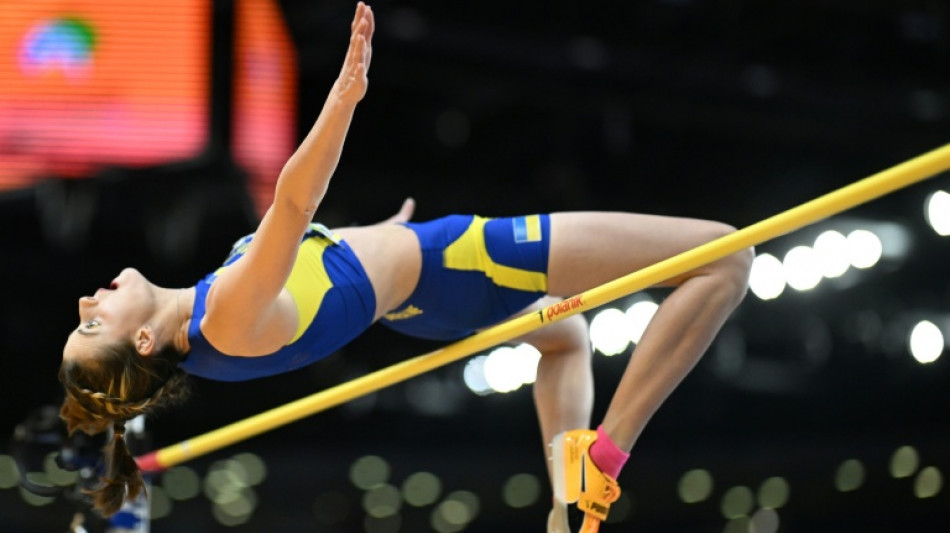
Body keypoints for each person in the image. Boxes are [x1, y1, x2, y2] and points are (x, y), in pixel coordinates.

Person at [58, 3, 753, 531]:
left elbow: (312, 274)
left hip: (422, 298)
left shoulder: (211, 331)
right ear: (142, 342)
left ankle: (565, 508)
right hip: (460, 262)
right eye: (94, 323)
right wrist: (344, 98)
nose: (89, 300)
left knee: (564, 337)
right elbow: (295, 202)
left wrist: (375, 237)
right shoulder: (223, 318)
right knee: (724, 258)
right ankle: (604, 455)